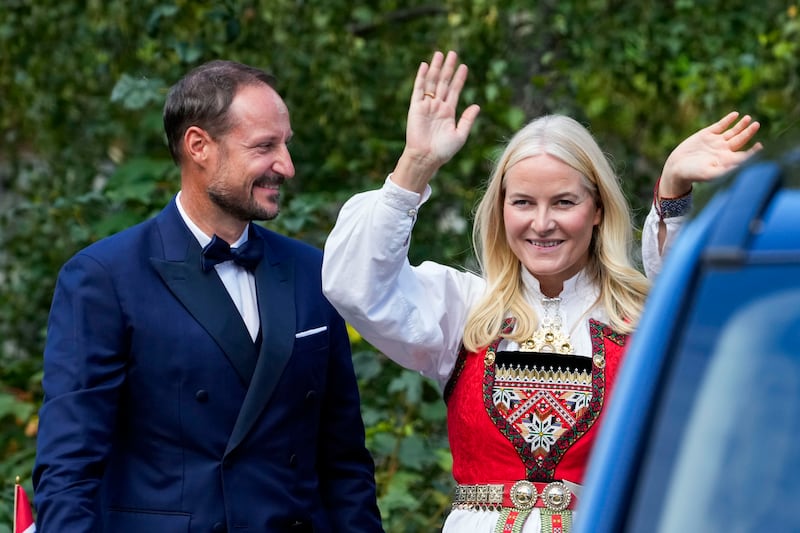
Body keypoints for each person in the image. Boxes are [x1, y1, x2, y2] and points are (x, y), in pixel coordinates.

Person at [321, 50, 761, 532]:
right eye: (524, 202)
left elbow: (704, 308)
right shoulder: (467, 310)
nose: (542, 223)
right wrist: (415, 166)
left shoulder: (642, 318)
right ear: (501, 209)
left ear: (597, 209)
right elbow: (355, 285)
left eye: (564, 202)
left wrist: (673, 191)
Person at [33, 60, 384, 533]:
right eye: (264, 146)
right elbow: (68, 471)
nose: (286, 165)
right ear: (198, 146)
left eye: (286, 144)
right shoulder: (103, 278)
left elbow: (345, 462)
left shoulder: (311, 270)